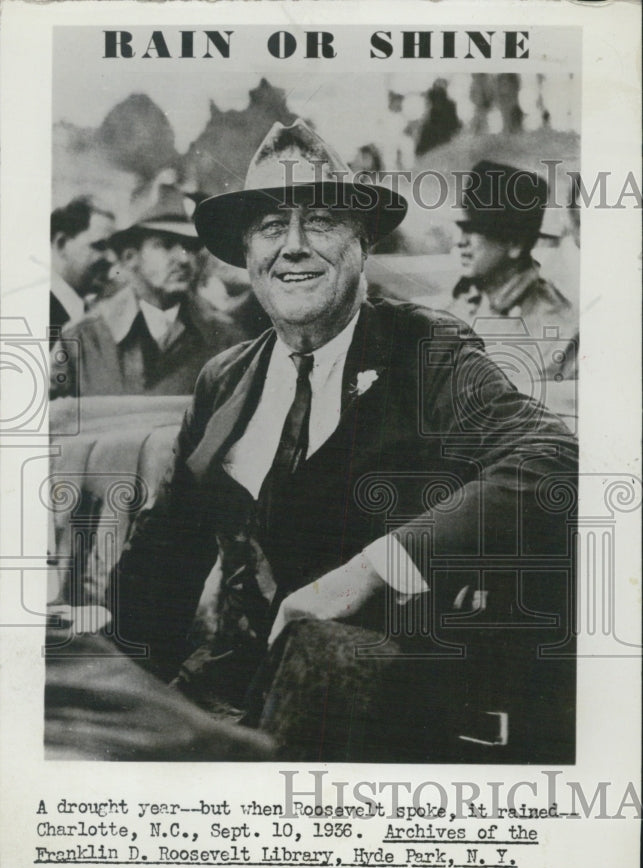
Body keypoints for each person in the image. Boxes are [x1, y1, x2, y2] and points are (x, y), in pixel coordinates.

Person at [109, 120, 577, 763]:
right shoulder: (225, 379)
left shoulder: (427, 350)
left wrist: (367, 573)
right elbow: (164, 557)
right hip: (227, 697)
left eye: (322, 222)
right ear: (247, 255)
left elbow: (552, 459)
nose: (293, 247)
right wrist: (116, 682)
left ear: (363, 243)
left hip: (369, 715)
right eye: (271, 227)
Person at [50, 187, 218, 398]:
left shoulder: (224, 337)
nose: (184, 259)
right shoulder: (82, 339)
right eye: (166, 245)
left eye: (190, 246)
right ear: (130, 257)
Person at [447, 160, 577, 381]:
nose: (460, 241)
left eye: (474, 229)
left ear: (515, 243)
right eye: (461, 228)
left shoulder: (556, 331)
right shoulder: (463, 303)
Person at [49, 197, 115, 346]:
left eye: (114, 248)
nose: (111, 259)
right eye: (99, 246)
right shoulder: (36, 312)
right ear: (61, 244)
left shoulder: (89, 314)